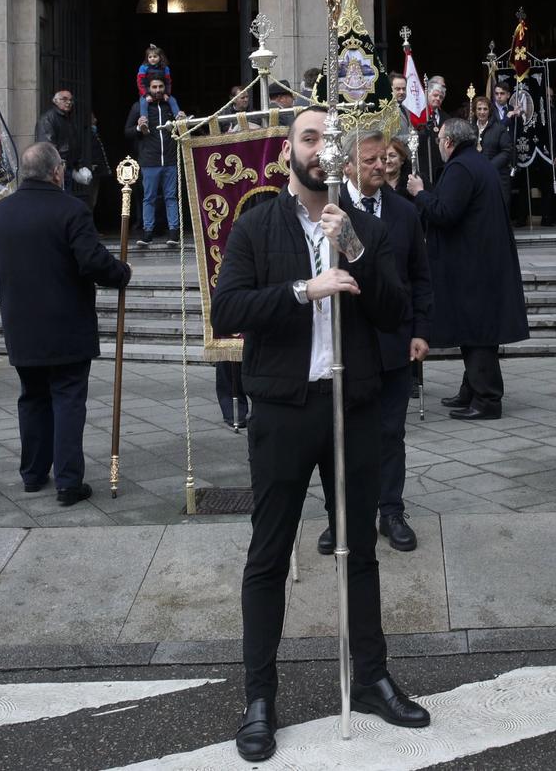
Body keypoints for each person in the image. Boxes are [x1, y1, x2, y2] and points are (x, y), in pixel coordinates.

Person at [212, 105, 429, 761]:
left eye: (331, 139)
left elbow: (396, 311)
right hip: (282, 408)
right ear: (289, 151)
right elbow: (229, 308)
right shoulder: (257, 226)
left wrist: (355, 253)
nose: (320, 148)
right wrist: (305, 288)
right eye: (309, 137)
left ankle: (371, 677)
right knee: (269, 554)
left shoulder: (363, 226)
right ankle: (259, 696)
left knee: (358, 551)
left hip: (353, 405)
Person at [0, 142, 132, 506]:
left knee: (32, 398)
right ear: (57, 172)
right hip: (67, 325)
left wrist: (16, 296)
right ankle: (67, 482)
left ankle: (32, 474)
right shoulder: (71, 210)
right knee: (67, 400)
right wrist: (121, 273)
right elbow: (92, 261)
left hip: (22, 326)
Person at [324, 129, 432, 554]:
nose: (380, 166)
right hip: (346, 343)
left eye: (385, 158)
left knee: (390, 431)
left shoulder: (405, 213)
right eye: (370, 159)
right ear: (348, 164)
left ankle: (391, 510)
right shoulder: (333, 209)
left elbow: (420, 275)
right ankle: (343, 519)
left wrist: (421, 330)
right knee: (341, 434)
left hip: (393, 342)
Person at [407, 116, 530, 420]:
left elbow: (445, 212)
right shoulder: (475, 162)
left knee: (476, 332)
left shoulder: (461, 167)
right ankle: (471, 390)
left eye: (439, 141)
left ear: (448, 141)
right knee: (471, 329)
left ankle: (487, 400)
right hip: (478, 261)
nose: (438, 146)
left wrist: (420, 193)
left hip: (472, 266)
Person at [125, 77, 182, 247]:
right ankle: (147, 233)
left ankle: (174, 233)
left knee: (171, 197)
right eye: (154, 87)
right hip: (149, 160)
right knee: (148, 198)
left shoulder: (171, 106)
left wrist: (183, 121)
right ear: (148, 88)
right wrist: (138, 127)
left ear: (165, 87)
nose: (157, 90)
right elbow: (127, 132)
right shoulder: (139, 107)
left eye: (160, 86)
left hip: (170, 159)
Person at [34, 88, 104, 207]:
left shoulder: (69, 119)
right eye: (64, 99)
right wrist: (58, 165)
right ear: (55, 101)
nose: (68, 102)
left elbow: (74, 144)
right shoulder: (48, 119)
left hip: (67, 169)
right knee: (56, 203)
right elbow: (47, 147)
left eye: (71, 100)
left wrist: (79, 165)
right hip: (55, 170)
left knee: (65, 202)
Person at [476, 95, 514, 208]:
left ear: (489, 111)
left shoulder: (499, 128)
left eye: (485, 109)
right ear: (474, 111)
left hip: (498, 176)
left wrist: (489, 166)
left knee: (498, 209)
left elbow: (507, 151)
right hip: (477, 177)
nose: (482, 112)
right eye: (479, 109)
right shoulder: (470, 129)